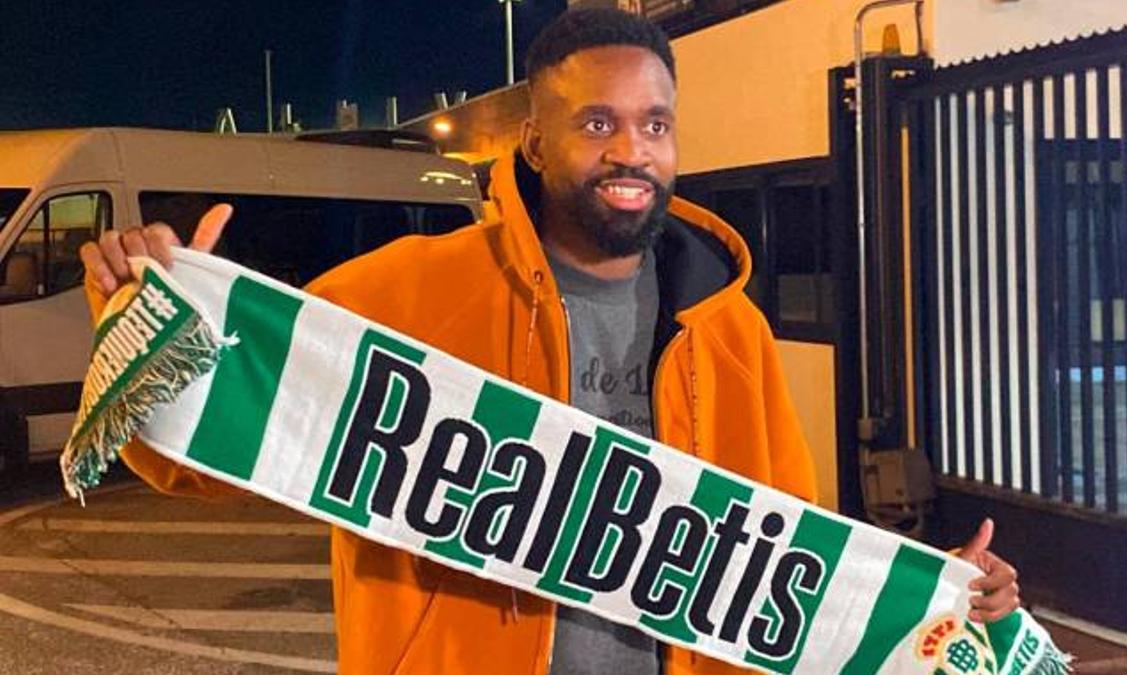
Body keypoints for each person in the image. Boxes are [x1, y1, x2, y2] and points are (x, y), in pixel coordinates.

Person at [79, 9, 1019, 675]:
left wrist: (943, 593)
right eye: (597, 123)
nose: (631, 150)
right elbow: (213, 453)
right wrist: (151, 321)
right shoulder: (410, 288)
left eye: (655, 124)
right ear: (533, 142)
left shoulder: (729, 325)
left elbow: (791, 553)